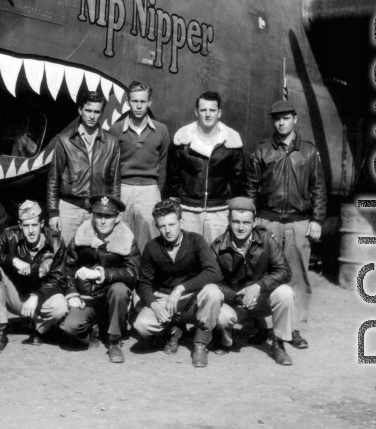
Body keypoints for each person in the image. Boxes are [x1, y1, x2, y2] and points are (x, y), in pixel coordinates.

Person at [246, 100, 326, 349]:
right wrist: (251, 221)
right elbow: (251, 189)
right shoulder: (261, 151)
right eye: (276, 118)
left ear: (295, 119)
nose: (280, 122)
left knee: (297, 275)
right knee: (262, 273)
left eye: (285, 117)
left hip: (298, 222)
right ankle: (263, 326)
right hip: (267, 222)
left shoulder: (310, 152)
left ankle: (292, 329)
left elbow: (318, 188)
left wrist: (317, 219)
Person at [133, 198, 223, 368]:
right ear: (157, 226)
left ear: (181, 222)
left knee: (213, 292)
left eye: (172, 224)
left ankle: (200, 343)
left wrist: (180, 289)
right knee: (142, 325)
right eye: (162, 226)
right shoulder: (152, 247)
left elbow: (213, 272)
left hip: (192, 299)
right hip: (165, 302)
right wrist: (154, 305)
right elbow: (143, 283)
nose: (167, 230)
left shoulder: (196, 240)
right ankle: (174, 330)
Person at [210, 197, 295, 366]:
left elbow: (284, 271)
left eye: (246, 222)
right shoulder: (217, 247)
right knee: (221, 316)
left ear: (254, 222)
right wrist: (237, 296)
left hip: (261, 299)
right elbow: (215, 282)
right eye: (236, 222)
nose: (241, 227)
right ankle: (225, 338)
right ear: (228, 220)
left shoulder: (266, 240)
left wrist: (258, 286)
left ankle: (278, 344)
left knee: (285, 293)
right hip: (235, 301)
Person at [60, 195, 140, 364]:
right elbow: (67, 268)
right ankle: (94, 328)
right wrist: (72, 292)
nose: (103, 221)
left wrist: (102, 273)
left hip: (112, 299)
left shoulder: (126, 238)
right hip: (87, 298)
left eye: (108, 216)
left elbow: (133, 271)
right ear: (93, 216)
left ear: (117, 218)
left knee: (119, 289)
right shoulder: (82, 234)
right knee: (69, 327)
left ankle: (114, 341)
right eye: (99, 215)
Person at [0, 200, 69, 351]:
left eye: (34, 225)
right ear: (20, 225)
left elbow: (58, 278)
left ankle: (38, 329)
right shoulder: (10, 235)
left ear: (42, 224)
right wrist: (13, 260)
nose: (30, 230)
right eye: (26, 226)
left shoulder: (56, 241)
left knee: (61, 307)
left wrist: (36, 296)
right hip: (17, 296)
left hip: (40, 298)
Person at [167, 90, 246, 244]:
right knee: (187, 258)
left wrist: (231, 202)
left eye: (212, 110)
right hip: (188, 210)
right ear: (196, 112)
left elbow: (238, 177)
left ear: (219, 112)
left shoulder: (232, 142)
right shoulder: (182, 141)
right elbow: (173, 175)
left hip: (219, 212)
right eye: (203, 110)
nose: (208, 114)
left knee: (216, 258)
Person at [47, 89, 121, 245]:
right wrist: (53, 212)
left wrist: (112, 213)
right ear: (80, 110)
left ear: (101, 113)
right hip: (69, 208)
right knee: (64, 255)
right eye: (88, 111)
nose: (92, 116)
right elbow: (54, 178)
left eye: (96, 111)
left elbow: (114, 182)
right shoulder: (65, 140)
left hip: (98, 209)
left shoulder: (112, 142)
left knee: (93, 255)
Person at [108, 81, 169, 253]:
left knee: (150, 238)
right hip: (123, 189)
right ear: (128, 102)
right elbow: (112, 166)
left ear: (149, 102)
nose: (139, 106)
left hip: (150, 190)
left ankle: (147, 277)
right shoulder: (116, 129)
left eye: (143, 102)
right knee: (121, 236)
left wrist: (160, 195)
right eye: (135, 101)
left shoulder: (161, 130)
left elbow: (163, 166)